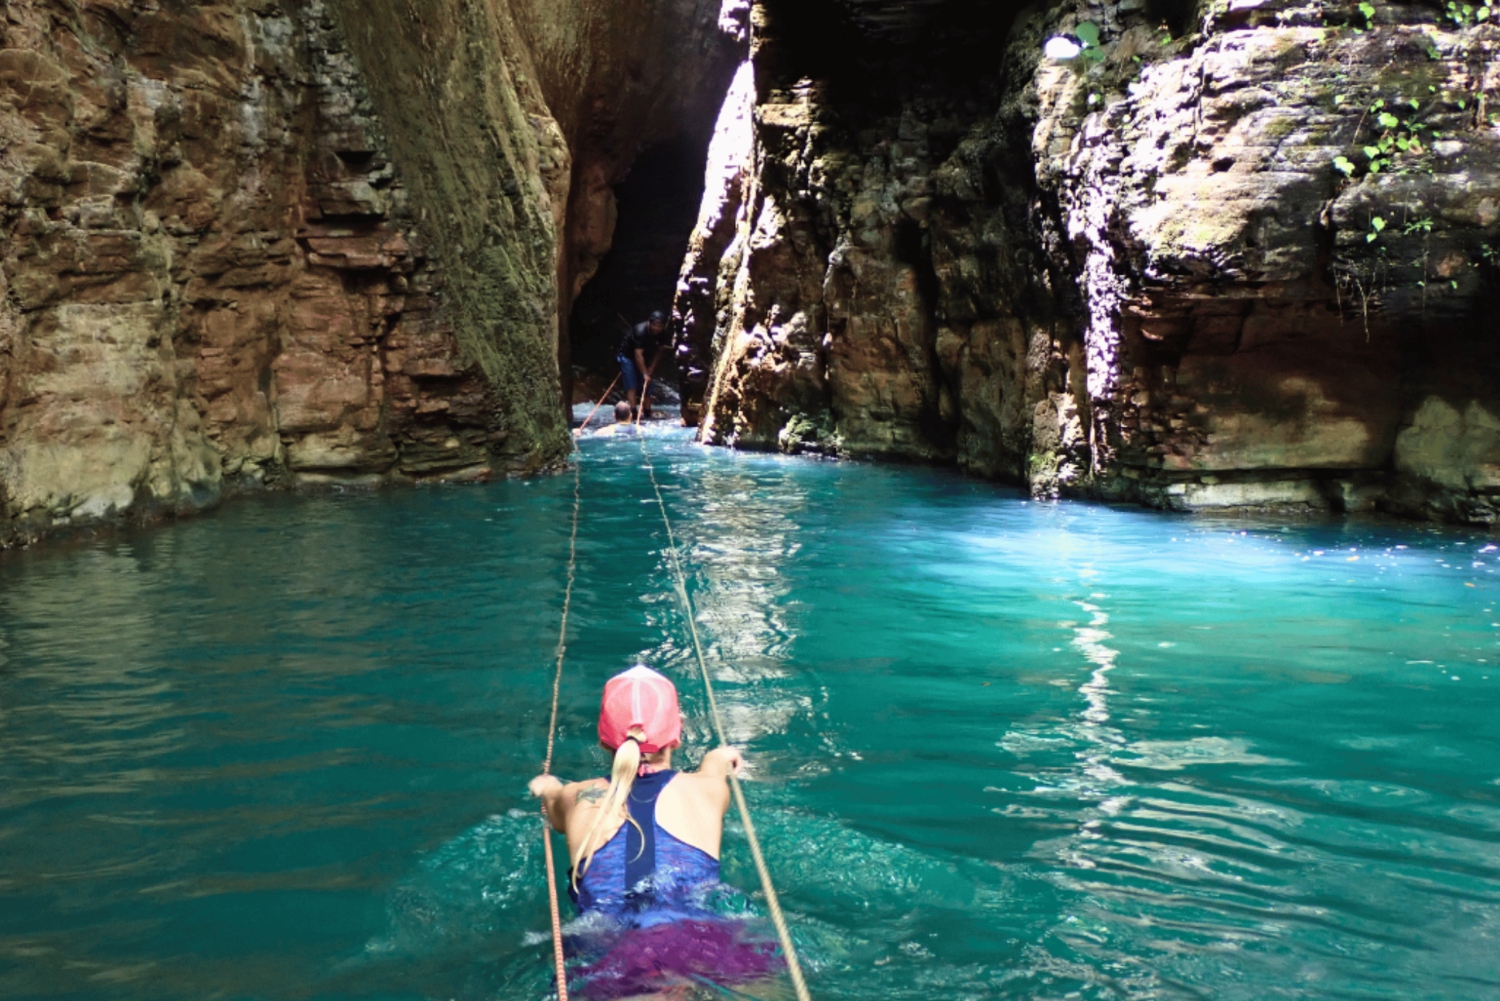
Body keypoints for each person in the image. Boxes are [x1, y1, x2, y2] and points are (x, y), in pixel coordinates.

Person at [529, 666, 782, 999]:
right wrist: (719, 757)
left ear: (604, 740)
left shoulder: (575, 796)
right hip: (700, 937)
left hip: (609, 944)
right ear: (676, 737)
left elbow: (554, 811)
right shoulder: (706, 790)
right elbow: (715, 770)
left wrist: (546, 787)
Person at [619, 311, 669, 416]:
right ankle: (632, 412)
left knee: (648, 384)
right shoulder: (640, 331)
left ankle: (647, 411)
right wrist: (644, 373)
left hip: (646, 357)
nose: (657, 328)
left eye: (659, 326)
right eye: (654, 325)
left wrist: (652, 367)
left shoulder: (662, 333)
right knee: (631, 384)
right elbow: (638, 354)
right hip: (628, 356)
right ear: (649, 322)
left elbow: (660, 351)